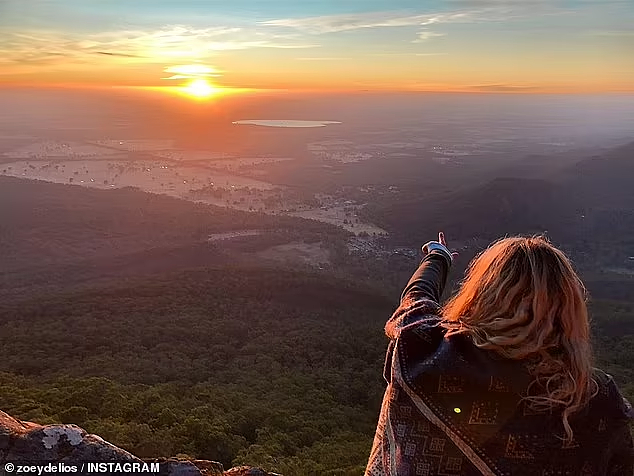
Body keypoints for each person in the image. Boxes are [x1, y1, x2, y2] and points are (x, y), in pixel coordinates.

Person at [365, 233, 633, 476]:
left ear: (481, 296)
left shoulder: (424, 354)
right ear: (568, 311)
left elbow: (415, 299)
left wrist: (438, 256)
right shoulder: (596, 402)